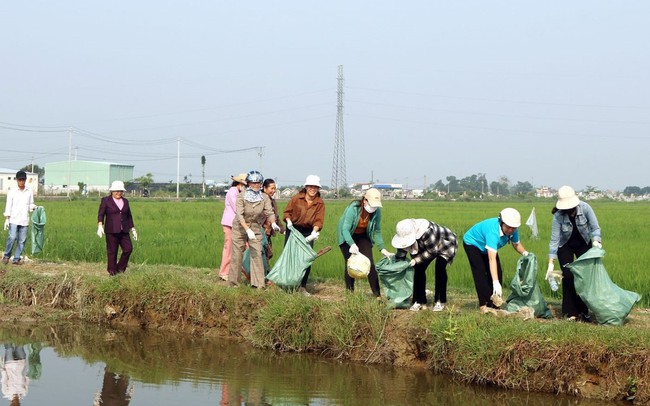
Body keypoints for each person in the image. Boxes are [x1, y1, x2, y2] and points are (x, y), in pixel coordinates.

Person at [547, 185, 602, 321]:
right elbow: (555, 240)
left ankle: (584, 310)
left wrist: (596, 241)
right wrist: (551, 263)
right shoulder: (558, 216)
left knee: (585, 278)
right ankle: (570, 312)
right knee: (568, 276)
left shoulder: (585, 208)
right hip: (565, 246)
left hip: (583, 245)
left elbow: (595, 228)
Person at [463, 208, 529, 313]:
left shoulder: (513, 230)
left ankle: (494, 304)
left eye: (514, 228)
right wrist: (495, 282)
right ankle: (483, 305)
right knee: (480, 272)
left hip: (487, 247)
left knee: (498, 272)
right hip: (473, 243)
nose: (511, 230)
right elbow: (492, 258)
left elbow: (516, 244)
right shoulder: (493, 231)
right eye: (509, 227)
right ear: (502, 222)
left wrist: (526, 253)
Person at [391, 219, 457, 311]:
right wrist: (395, 261)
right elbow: (402, 251)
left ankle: (440, 300)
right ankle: (419, 301)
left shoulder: (426, 232)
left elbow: (432, 252)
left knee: (440, 268)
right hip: (426, 244)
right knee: (418, 268)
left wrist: (416, 259)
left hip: (445, 242)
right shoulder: (404, 232)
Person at [228, 170, 280, 289]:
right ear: (248, 183)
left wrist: (273, 223)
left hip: (255, 227)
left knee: (257, 253)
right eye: (253, 183)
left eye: (258, 183)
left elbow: (269, 211)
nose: (256, 185)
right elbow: (239, 215)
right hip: (240, 227)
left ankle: (258, 284)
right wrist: (247, 229)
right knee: (237, 254)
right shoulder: (241, 196)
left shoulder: (264, 197)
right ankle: (233, 283)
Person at [337, 188, 392, 298]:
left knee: (369, 263)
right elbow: (345, 229)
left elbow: (377, 230)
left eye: (376, 206)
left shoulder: (376, 212)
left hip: (363, 235)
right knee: (350, 263)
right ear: (365, 200)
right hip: (347, 236)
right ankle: (350, 294)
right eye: (372, 205)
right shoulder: (353, 209)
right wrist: (352, 244)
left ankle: (377, 296)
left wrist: (383, 249)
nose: (373, 208)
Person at [282, 175, 326, 295]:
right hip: (293, 228)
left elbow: (319, 220)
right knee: (291, 256)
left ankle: (302, 286)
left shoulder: (320, 203)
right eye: (311, 186)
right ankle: (287, 284)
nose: (313, 189)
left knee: (307, 258)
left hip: (308, 231)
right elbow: (287, 212)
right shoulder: (296, 198)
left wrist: (314, 231)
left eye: (315, 187)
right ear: (306, 187)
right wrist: (289, 222)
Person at [97, 181, 137, 276]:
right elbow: (101, 214)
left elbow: (129, 216)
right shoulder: (106, 200)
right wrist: (100, 225)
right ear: (112, 191)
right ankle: (112, 272)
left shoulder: (125, 201)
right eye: (116, 191)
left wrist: (133, 229)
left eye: (120, 191)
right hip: (111, 230)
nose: (118, 193)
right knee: (112, 251)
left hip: (124, 230)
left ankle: (120, 269)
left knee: (128, 249)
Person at [3, 171, 37, 265]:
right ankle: (6, 256)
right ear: (17, 180)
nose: (21, 181)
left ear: (25, 180)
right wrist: (7, 218)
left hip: (24, 219)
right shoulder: (12, 191)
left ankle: (16, 259)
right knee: (12, 237)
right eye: (20, 180)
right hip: (14, 218)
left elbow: (30, 204)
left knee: (22, 240)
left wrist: (35, 207)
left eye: (23, 179)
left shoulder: (29, 191)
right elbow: (8, 205)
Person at [218, 173, 248, 281]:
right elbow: (238, 208)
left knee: (244, 248)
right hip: (230, 224)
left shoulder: (239, 192)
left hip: (239, 224)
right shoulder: (232, 192)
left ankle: (243, 272)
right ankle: (224, 272)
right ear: (240, 183)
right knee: (229, 248)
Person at [260, 178, 284, 261]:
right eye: (272, 188)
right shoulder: (260, 200)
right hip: (260, 232)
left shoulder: (272, 201)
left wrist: (282, 230)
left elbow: (275, 217)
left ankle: (264, 272)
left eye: (275, 189)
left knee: (267, 254)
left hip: (268, 232)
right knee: (261, 254)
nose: (273, 191)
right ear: (265, 188)